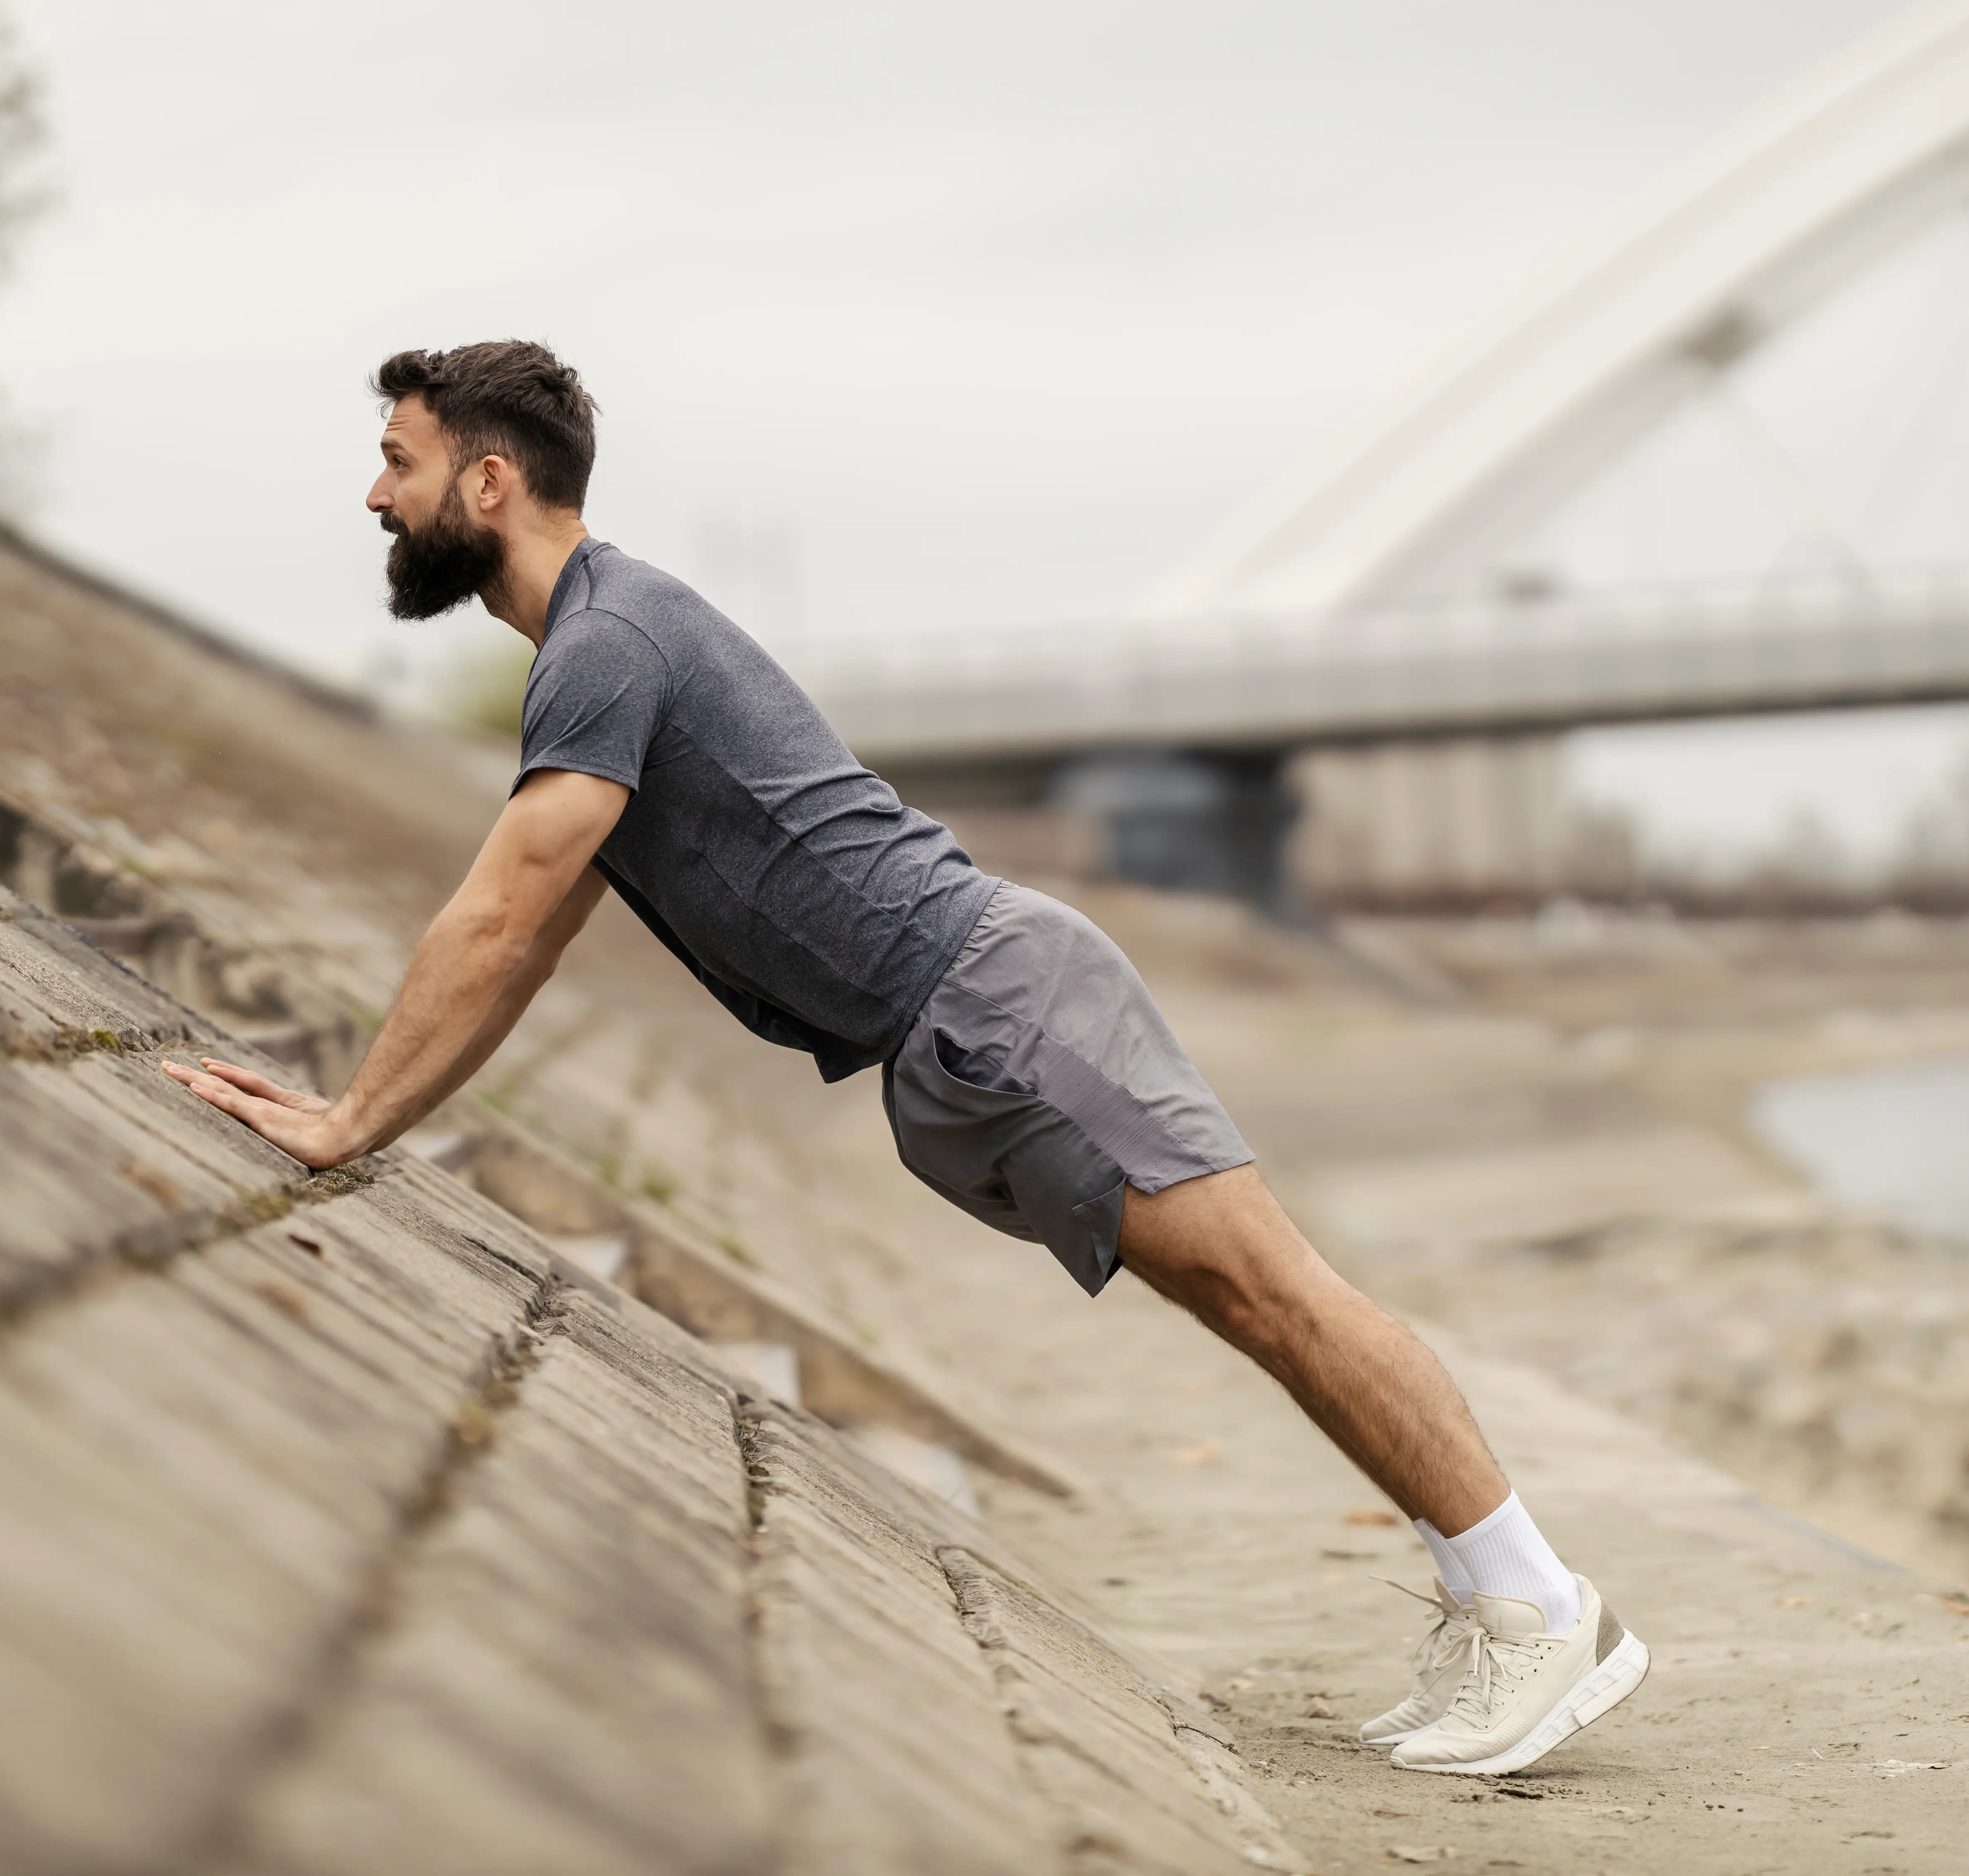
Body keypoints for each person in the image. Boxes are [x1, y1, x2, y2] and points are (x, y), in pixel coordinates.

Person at [164, 339, 1648, 1776]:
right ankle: (1489, 1591)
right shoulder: (601, 649)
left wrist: (351, 1120)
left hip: (999, 999)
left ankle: (1540, 1606)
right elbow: (533, 935)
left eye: (396, 463)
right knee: (1256, 1308)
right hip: (969, 1026)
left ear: (486, 486)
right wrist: (366, 1118)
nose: (374, 498)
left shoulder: (607, 643)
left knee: (1278, 1290)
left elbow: (497, 912)